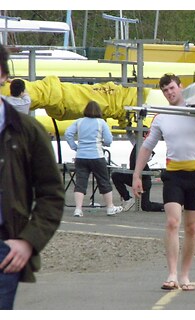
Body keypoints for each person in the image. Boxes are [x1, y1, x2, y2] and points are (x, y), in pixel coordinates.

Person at [0, 44, 65, 309]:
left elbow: (52, 193)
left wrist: (29, 241)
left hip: (5, 248)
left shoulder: (27, 131)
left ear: (3, 75)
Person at [132, 73, 195, 291]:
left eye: (172, 88)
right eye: (165, 90)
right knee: (172, 222)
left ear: (180, 87)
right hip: (173, 175)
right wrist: (136, 175)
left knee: (192, 227)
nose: (170, 93)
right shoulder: (162, 116)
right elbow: (147, 147)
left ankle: (185, 274)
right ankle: (172, 274)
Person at [65, 101, 123, 217]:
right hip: (97, 156)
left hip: (81, 156)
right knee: (104, 181)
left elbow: (68, 134)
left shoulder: (79, 122)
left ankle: (78, 209)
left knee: (80, 183)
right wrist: (104, 143)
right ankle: (110, 207)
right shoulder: (101, 122)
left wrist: (75, 147)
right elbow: (108, 139)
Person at [111, 131, 164, 212]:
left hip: (144, 179)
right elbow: (130, 135)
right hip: (133, 176)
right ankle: (128, 199)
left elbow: (148, 157)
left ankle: (166, 206)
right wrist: (129, 124)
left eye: (138, 133)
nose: (136, 135)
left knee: (146, 206)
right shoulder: (137, 143)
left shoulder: (147, 145)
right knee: (116, 175)